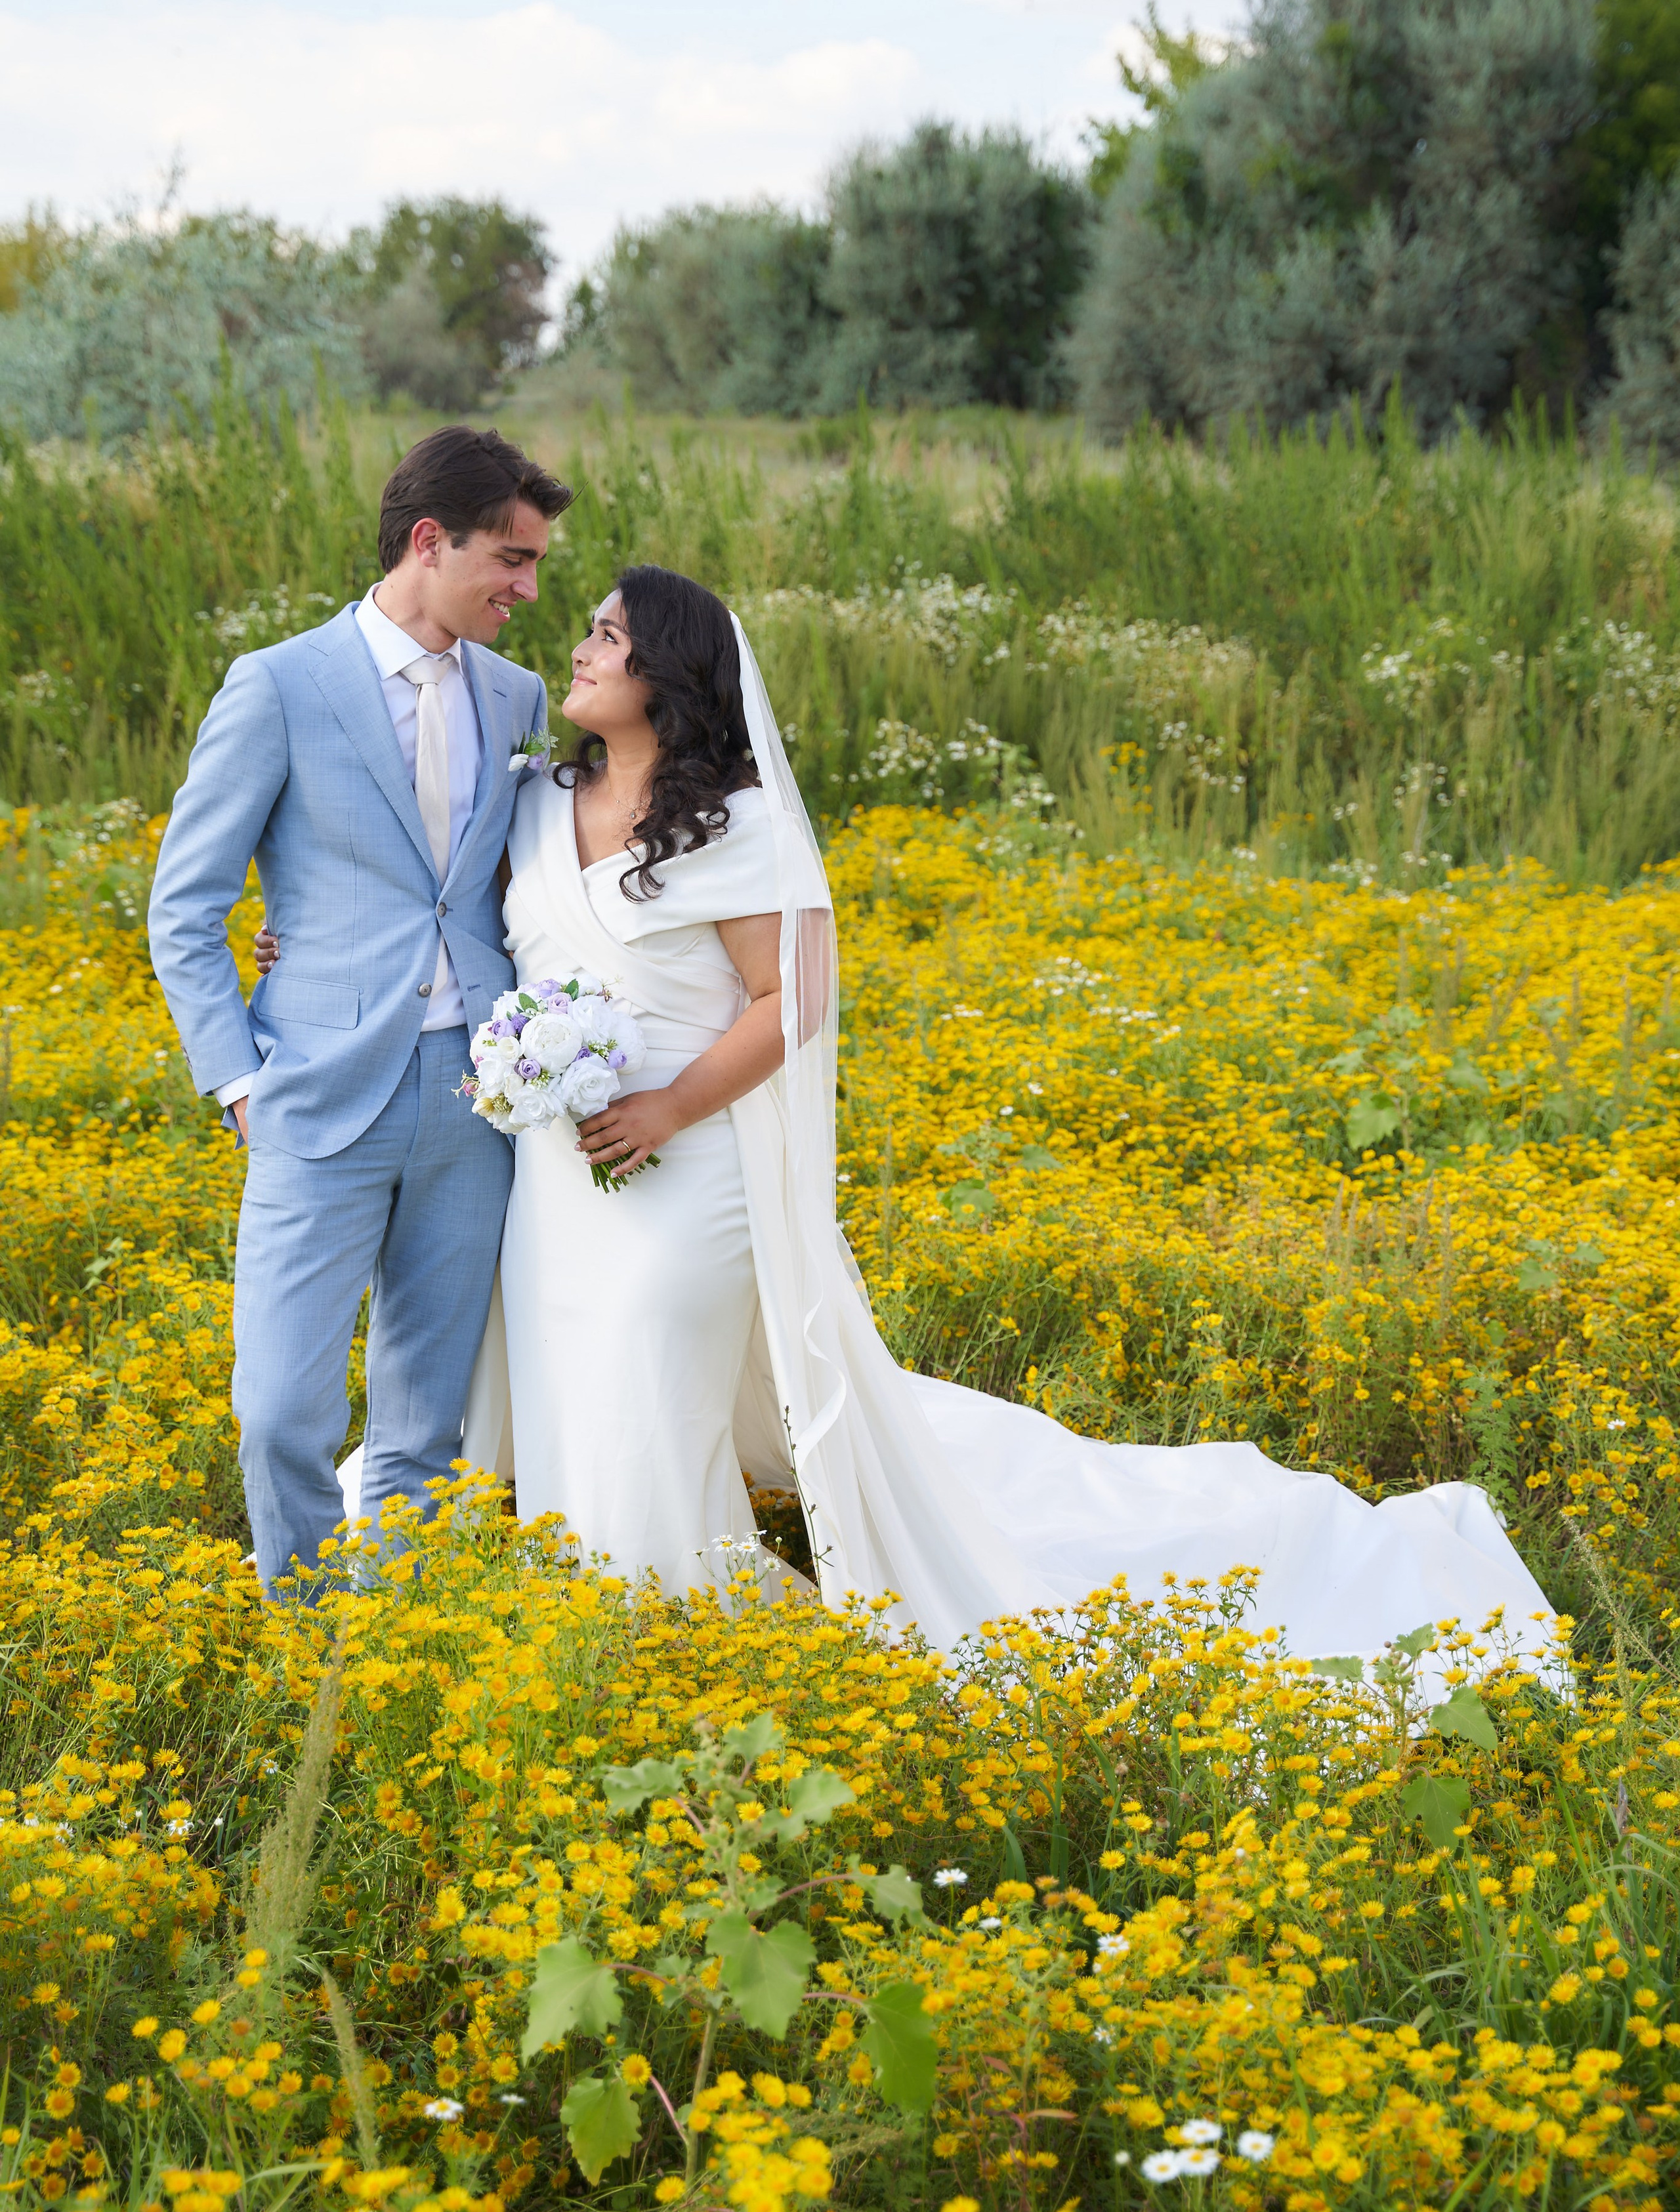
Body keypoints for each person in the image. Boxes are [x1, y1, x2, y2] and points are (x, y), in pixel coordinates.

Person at [270, 563, 1558, 1665]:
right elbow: (427, 909)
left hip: (689, 1159)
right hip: (557, 1172)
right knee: (553, 1364)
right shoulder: (536, 804)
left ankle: (652, 1611)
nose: (580, 648)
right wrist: (310, 940)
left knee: (640, 1357)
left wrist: (666, 1106)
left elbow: (791, 1006)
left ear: (665, 670)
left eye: (606, 634)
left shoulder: (734, 830)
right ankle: (536, 1581)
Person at [148, 426, 571, 1596]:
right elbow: (183, 906)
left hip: (473, 1092)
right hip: (313, 1093)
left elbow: (509, 884)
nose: (530, 589)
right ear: (430, 542)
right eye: (513, 558)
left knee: (422, 1413)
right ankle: (298, 1619)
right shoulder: (278, 684)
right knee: (280, 1405)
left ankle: (387, 1638)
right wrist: (236, 1077)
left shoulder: (520, 695)